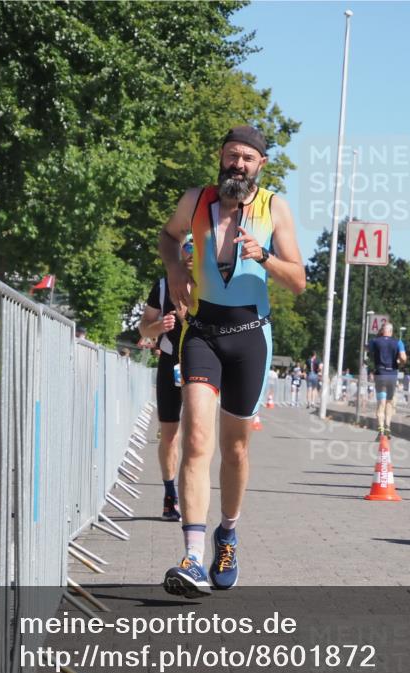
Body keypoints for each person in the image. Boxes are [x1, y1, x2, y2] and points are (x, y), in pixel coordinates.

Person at [158, 125, 306, 597]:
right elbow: (168, 236)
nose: (237, 165)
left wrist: (264, 256)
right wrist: (176, 266)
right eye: (231, 156)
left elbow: (299, 280)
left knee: (235, 449)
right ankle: (192, 558)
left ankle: (228, 533)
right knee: (197, 440)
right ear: (220, 158)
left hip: (249, 337)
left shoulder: (273, 208)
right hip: (201, 332)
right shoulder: (196, 200)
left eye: (247, 158)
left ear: (261, 164)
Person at [138, 236, 194, 522]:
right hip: (170, 361)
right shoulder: (161, 287)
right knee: (170, 435)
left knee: (197, 436)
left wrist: (188, 318)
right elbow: (144, 329)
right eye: (188, 248)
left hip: (200, 364)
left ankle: (192, 497)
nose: (193, 255)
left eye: (200, 250)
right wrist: (158, 326)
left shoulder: (214, 287)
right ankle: (170, 494)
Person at [368, 322, 407, 437]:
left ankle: (380, 429)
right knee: (389, 403)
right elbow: (403, 357)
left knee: (381, 403)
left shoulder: (375, 341)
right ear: (391, 331)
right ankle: (388, 427)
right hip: (392, 375)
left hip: (380, 374)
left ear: (382, 331)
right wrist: (400, 362)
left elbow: (369, 350)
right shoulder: (398, 342)